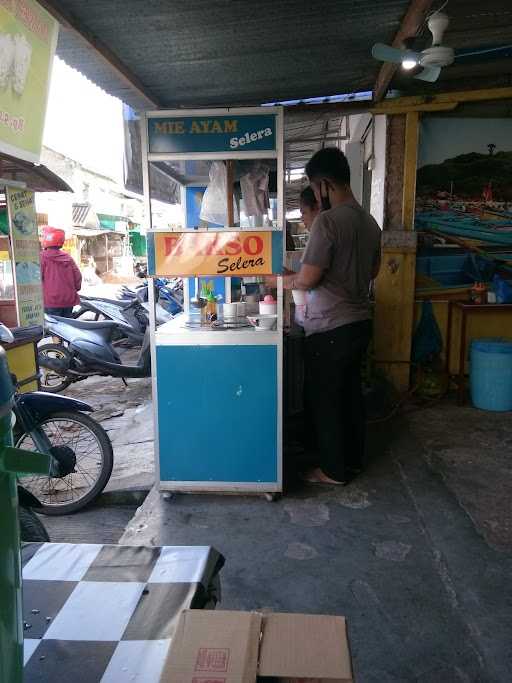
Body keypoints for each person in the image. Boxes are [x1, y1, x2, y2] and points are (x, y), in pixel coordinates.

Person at [282, 148, 381, 485]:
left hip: (330, 329)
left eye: (315, 187)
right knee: (350, 397)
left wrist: (278, 281)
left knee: (326, 402)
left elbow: (308, 278)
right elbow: (375, 270)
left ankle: (332, 471)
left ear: (323, 185)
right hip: (359, 324)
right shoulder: (369, 222)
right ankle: (351, 462)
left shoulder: (328, 221)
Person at [40, 226, 82, 317]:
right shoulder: (68, 257)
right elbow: (78, 277)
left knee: (53, 329)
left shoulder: (41, 257)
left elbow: (36, 278)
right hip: (68, 301)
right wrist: (75, 289)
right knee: (67, 328)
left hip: (51, 302)